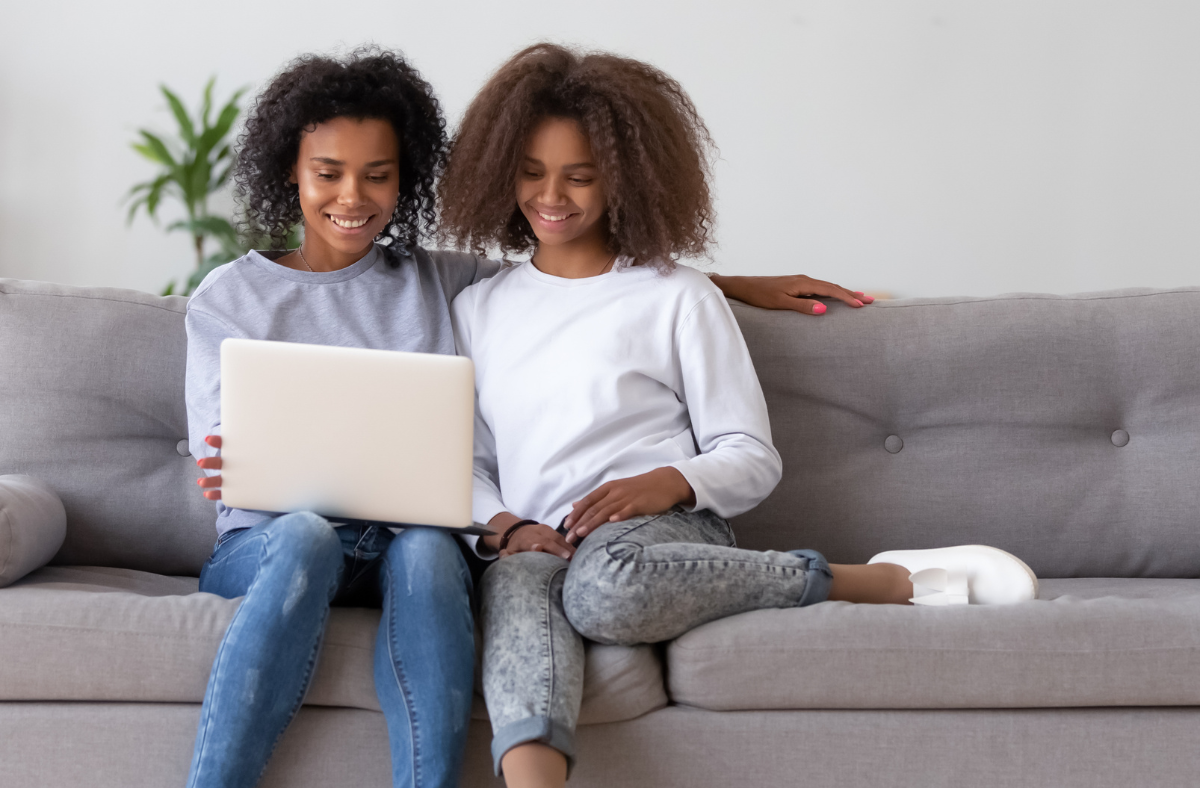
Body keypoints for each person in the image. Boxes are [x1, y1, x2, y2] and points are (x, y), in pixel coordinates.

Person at [186, 46, 877, 788]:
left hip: (422, 544)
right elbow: (231, 456)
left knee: (426, 546)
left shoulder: (437, 280)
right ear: (289, 171)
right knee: (312, 536)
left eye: (378, 175)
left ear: (404, 180)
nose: (352, 195)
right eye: (328, 173)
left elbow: (585, 279)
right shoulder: (235, 296)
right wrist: (241, 461)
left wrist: (733, 284)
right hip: (283, 542)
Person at [440, 43, 1039, 788]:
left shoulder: (678, 296)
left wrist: (668, 482)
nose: (551, 195)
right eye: (531, 172)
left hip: (659, 534)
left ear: (625, 178)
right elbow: (463, 461)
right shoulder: (476, 310)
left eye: (580, 176)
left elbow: (750, 455)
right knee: (512, 591)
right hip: (536, 536)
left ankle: (881, 582)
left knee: (604, 592)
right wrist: (508, 528)